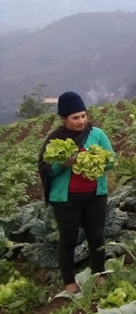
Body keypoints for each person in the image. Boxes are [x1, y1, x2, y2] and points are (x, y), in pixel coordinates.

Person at [37, 92, 115, 293]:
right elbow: (47, 171)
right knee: (68, 238)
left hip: (95, 196)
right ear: (64, 119)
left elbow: (112, 159)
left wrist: (99, 164)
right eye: (75, 118)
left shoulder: (96, 134)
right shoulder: (55, 140)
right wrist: (63, 164)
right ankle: (69, 281)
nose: (81, 121)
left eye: (83, 116)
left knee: (96, 235)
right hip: (66, 200)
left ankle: (99, 273)